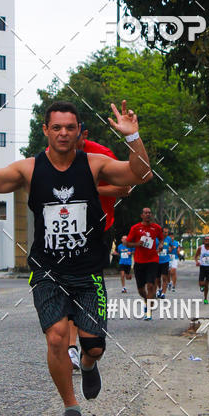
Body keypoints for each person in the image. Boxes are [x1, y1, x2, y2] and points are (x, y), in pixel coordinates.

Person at [0, 100, 152, 416]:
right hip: (48, 270)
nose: (63, 133)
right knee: (55, 337)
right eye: (57, 127)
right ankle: (70, 405)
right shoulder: (29, 169)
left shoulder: (94, 164)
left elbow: (138, 174)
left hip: (88, 270)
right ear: (45, 131)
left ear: (79, 131)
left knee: (93, 344)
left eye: (70, 127)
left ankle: (88, 362)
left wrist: (133, 137)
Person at [67, 124, 131, 371]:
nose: (67, 139)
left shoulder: (101, 156)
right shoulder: (52, 157)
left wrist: (90, 189)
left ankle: (88, 354)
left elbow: (124, 189)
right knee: (68, 285)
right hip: (67, 231)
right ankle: (72, 348)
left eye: (74, 133)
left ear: (84, 134)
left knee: (86, 286)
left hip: (98, 229)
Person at [122, 207, 163, 320]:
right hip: (139, 261)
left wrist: (160, 245)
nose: (148, 215)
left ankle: (148, 312)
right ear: (142, 215)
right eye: (145, 213)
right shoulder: (135, 228)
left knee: (150, 285)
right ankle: (147, 300)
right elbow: (127, 243)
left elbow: (161, 238)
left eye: (149, 213)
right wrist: (137, 244)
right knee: (141, 290)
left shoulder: (156, 228)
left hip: (152, 260)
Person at [195, 235, 209, 306]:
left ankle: (205, 298)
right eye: (206, 240)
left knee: (207, 284)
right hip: (203, 266)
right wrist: (197, 262)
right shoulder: (201, 248)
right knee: (201, 283)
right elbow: (196, 256)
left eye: (208, 240)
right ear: (204, 241)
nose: (207, 241)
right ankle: (202, 286)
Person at [156, 228, 171, 298]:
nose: (165, 234)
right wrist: (157, 250)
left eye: (167, 232)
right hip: (157, 261)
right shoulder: (156, 239)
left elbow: (171, 246)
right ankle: (159, 289)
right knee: (157, 278)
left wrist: (170, 249)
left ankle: (163, 293)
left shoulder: (168, 239)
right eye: (164, 232)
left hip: (165, 261)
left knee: (164, 277)